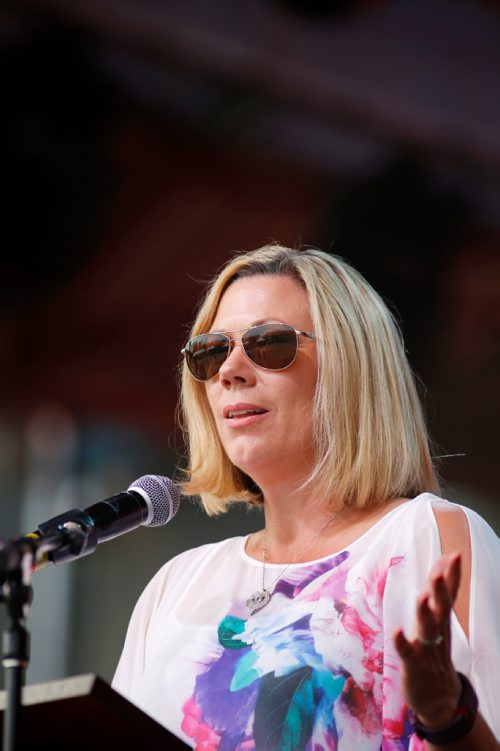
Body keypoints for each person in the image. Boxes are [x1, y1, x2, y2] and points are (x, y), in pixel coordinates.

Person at [112, 243, 499, 750]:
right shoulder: (176, 585)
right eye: (210, 352)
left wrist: (449, 717)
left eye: (268, 345)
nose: (230, 371)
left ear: (351, 368)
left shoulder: (428, 537)